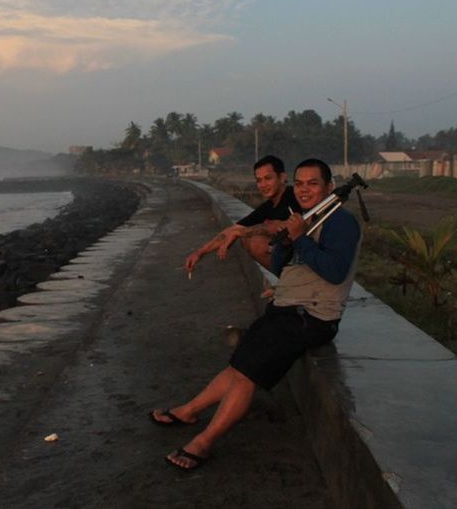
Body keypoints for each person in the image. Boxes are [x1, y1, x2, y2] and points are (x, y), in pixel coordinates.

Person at [152, 158, 362, 471]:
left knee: (248, 373)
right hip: (287, 309)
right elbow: (280, 266)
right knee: (240, 363)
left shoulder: (341, 222)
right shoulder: (305, 218)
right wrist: (284, 241)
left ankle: (205, 441)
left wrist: (300, 238)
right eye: (300, 183)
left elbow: (334, 272)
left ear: (329, 187)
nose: (304, 189)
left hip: (312, 317)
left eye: (313, 183)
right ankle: (190, 409)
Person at [185, 155, 300, 271]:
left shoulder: (295, 196)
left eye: (268, 178)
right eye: (259, 180)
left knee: (256, 242)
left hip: (304, 257)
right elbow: (232, 230)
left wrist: (241, 232)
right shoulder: (269, 206)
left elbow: (281, 226)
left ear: (282, 177)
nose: (263, 185)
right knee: (247, 239)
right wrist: (199, 252)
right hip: (288, 254)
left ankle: (290, 282)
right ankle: (284, 281)